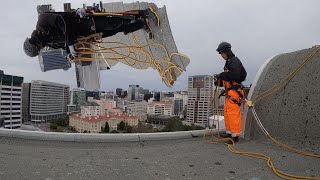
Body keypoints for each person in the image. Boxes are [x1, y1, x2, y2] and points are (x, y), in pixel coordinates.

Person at [23, 8, 156, 60]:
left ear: (35, 41)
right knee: (115, 30)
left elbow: (63, 22)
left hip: (82, 22)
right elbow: (64, 44)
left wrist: (70, 45)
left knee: (114, 22)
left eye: (39, 47)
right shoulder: (50, 42)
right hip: (87, 34)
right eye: (40, 49)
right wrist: (69, 53)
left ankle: (143, 13)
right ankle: (141, 24)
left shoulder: (42, 21)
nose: (42, 48)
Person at [214, 42, 247, 145]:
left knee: (233, 114)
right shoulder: (229, 62)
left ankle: (235, 137)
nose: (221, 56)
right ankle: (229, 133)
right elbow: (228, 78)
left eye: (222, 53)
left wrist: (222, 75)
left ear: (227, 52)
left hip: (235, 92)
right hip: (230, 92)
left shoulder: (234, 61)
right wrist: (218, 81)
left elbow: (235, 75)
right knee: (227, 113)